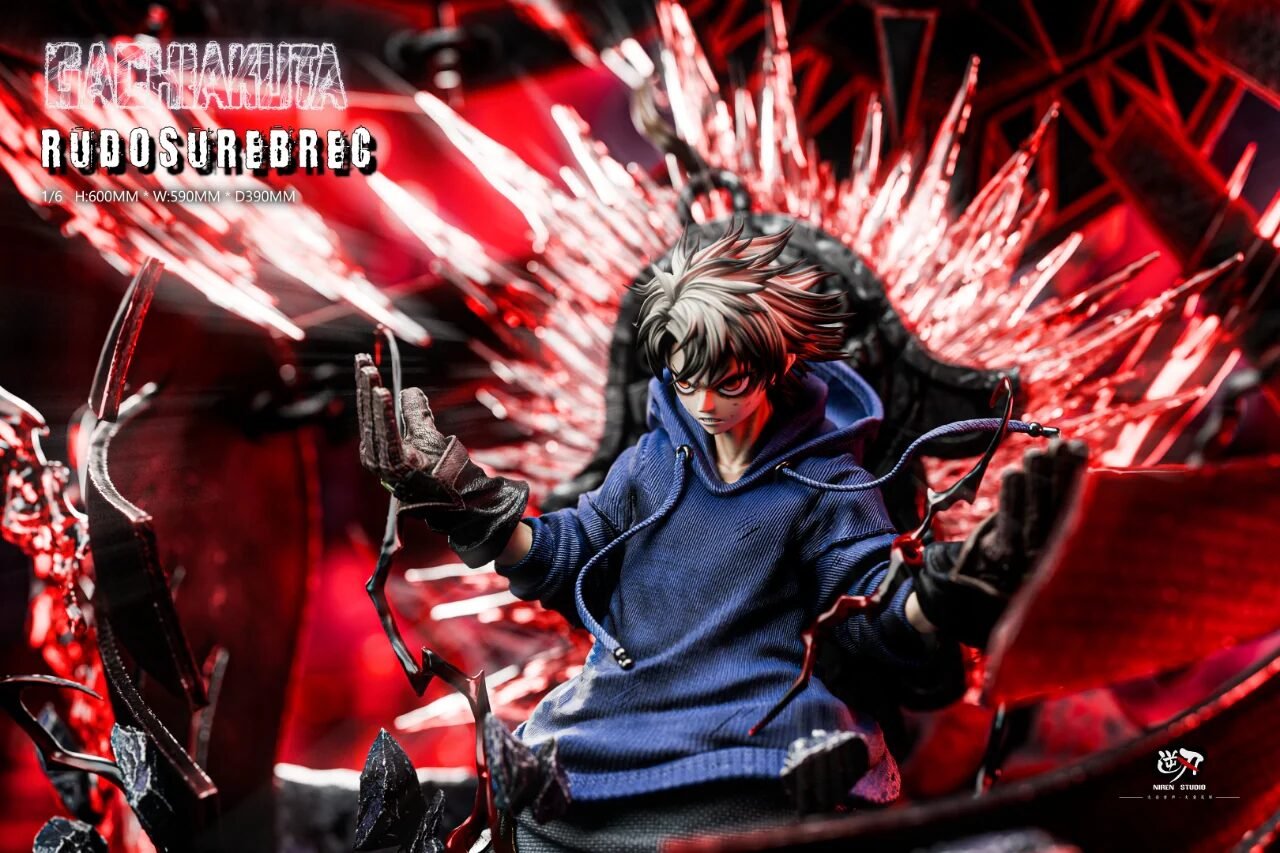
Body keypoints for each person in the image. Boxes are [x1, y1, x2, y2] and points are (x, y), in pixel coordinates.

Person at [355, 222, 1086, 851]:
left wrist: (947, 591)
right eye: (686, 378)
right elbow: (568, 554)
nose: (704, 403)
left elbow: (869, 606)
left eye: (729, 381)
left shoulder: (827, 485)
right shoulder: (650, 462)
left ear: (776, 365)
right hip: (605, 732)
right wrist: (468, 502)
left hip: (753, 740)